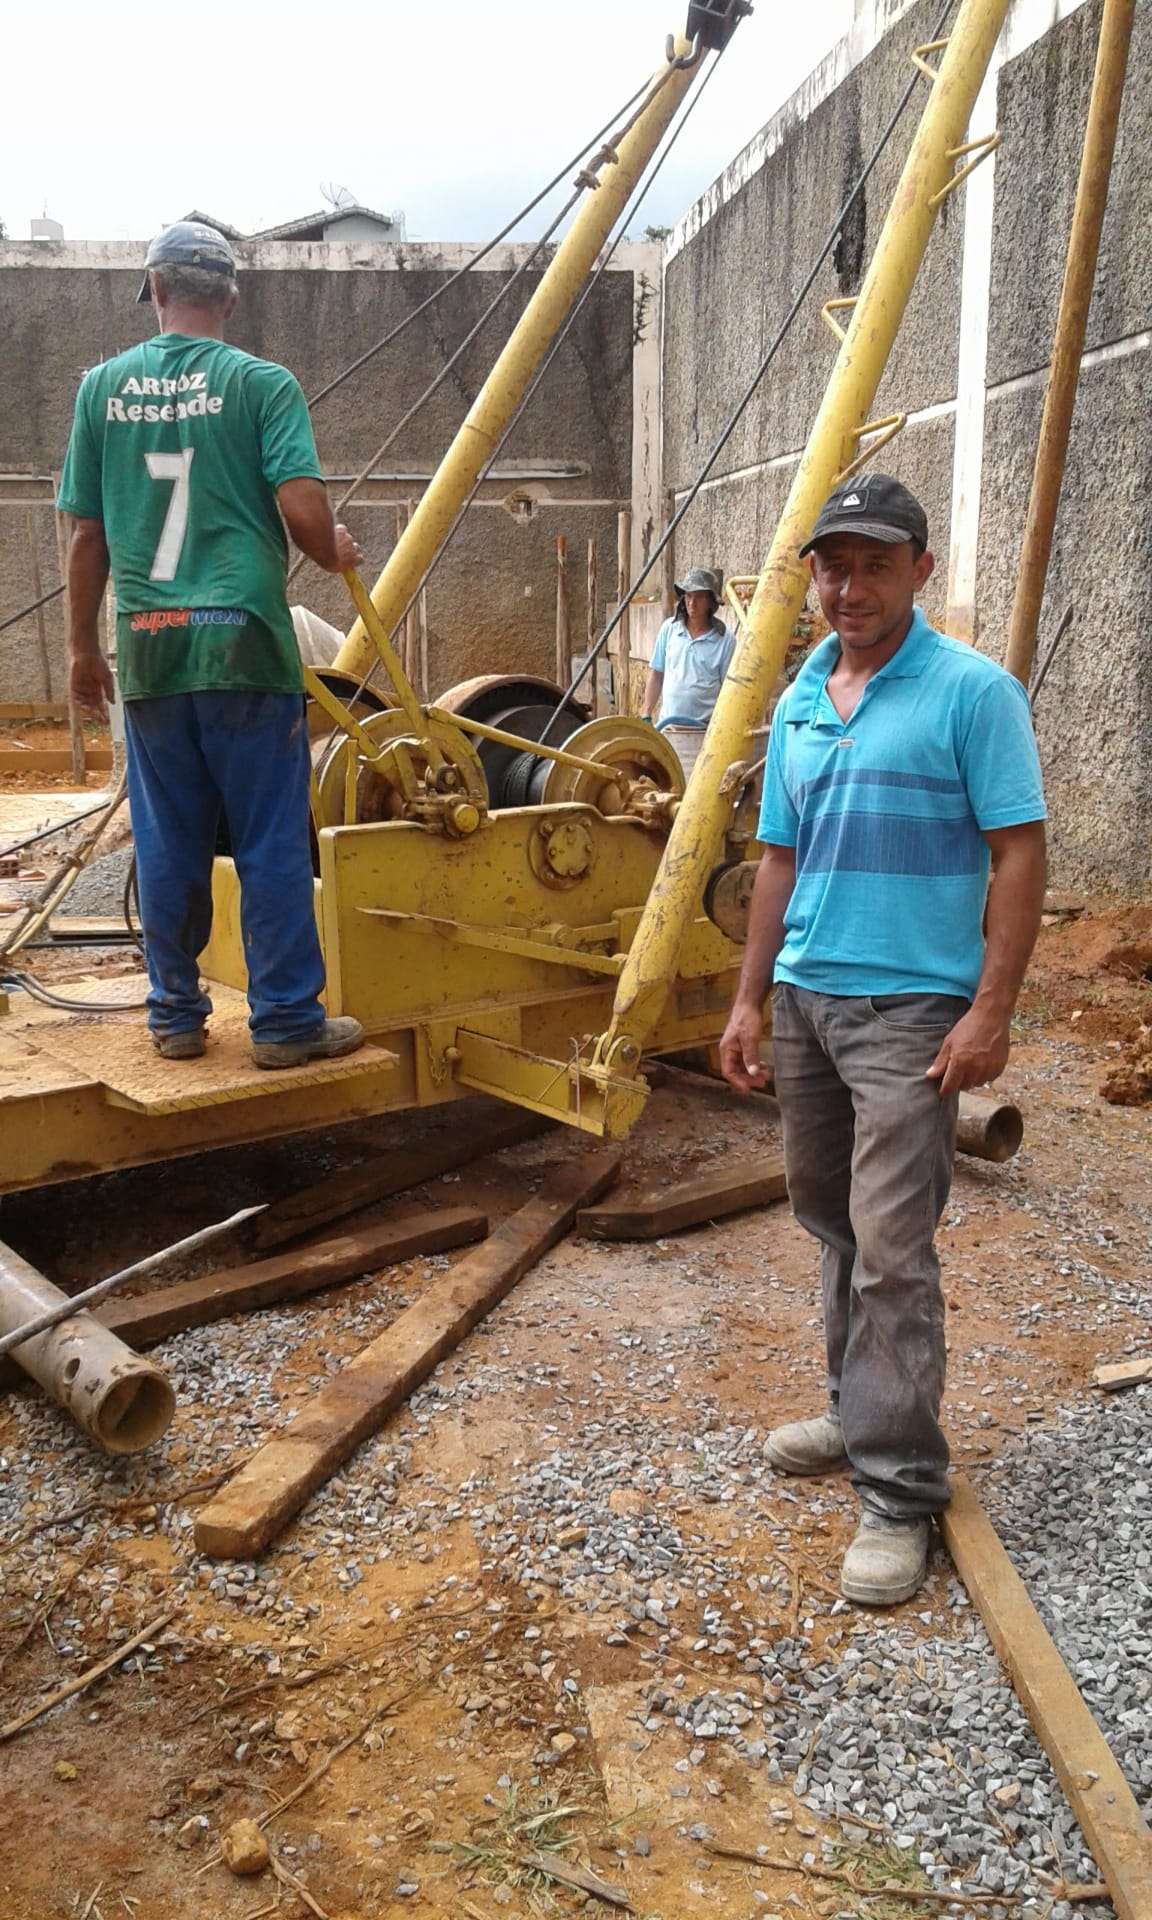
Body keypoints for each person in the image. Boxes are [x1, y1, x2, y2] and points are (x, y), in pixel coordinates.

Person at [719, 473, 1047, 1607]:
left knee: (895, 1246)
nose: (849, 586)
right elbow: (777, 863)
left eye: (873, 563)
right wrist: (748, 1000)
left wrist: (991, 1010)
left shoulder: (973, 694)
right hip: (807, 1000)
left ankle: (901, 1487)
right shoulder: (805, 693)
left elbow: (1018, 853)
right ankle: (857, 1409)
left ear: (922, 569)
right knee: (828, 1221)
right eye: (832, 565)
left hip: (912, 1016)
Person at [58, 220, 365, 1071]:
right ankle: (285, 1026)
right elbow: (305, 514)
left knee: (167, 840)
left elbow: (87, 535)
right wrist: (331, 547)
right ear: (230, 295)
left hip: (150, 650)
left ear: (154, 290)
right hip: (246, 646)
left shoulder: (101, 391)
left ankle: (176, 1018)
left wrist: (83, 651)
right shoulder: (262, 384)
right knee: (268, 838)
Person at [642, 566, 736, 780]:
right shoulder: (670, 630)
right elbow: (656, 673)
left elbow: (728, 690)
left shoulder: (725, 640)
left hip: (703, 733)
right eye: (688, 596)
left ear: (711, 602)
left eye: (699, 598)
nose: (692, 603)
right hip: (669, 729)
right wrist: (646, 713)